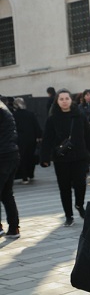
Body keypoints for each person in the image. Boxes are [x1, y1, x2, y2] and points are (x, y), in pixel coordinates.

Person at [40, 89, 90, 227]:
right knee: (64, 188)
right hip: (61, 159)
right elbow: (47, 139)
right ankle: (68, 215)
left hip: (79, 157)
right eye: (61, 99)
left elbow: (89, 138)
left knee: (80, 185)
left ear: (71, 100)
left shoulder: (79, 116)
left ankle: (79, 205)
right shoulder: (52, 118)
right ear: (57, 101)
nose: (64, 101)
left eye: (67, 98)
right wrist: (44, 158)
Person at [0, 100, 21, 238]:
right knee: (7, 193)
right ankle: (14, 228)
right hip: (11, 154)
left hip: (2, 156)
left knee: (6, 193)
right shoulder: (4, 108)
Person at [13, 98, 42, 184]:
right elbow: (36, 125)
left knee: (22, 158)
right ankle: (31, 174)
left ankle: (24, 177)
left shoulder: (13, 115)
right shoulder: (30, 114)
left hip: (20, 140)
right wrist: (39, 136)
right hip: (31, 139)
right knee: (31, 156)